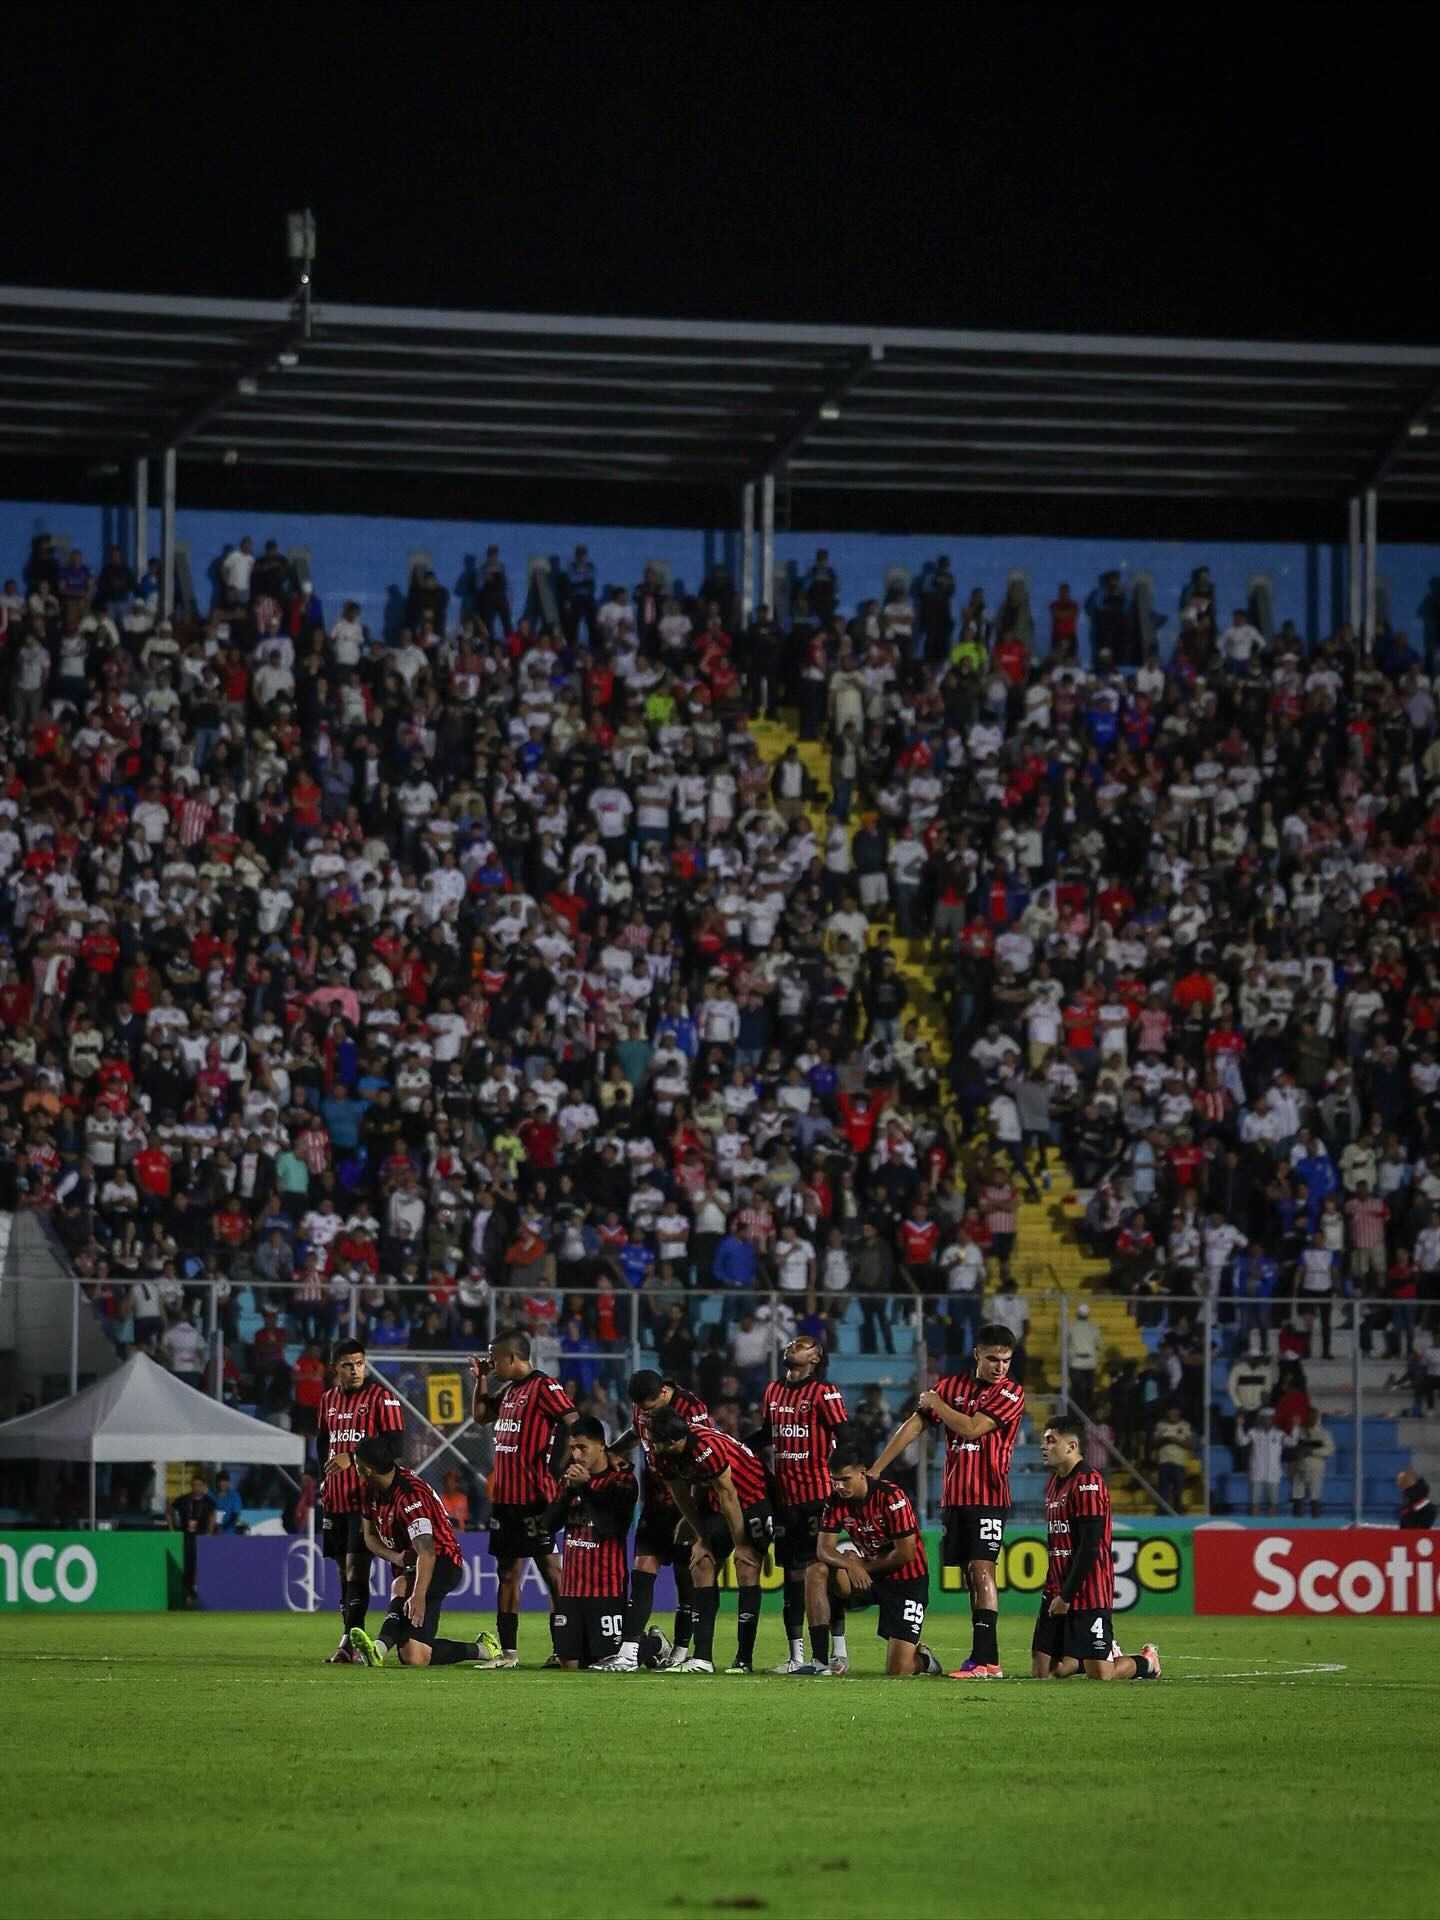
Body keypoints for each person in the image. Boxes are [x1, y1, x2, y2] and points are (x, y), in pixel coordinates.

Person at [868, 1322, 1024, 1680]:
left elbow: (971, 1428)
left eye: (1006, 1360)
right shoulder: (954, 1387)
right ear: (977, 1355)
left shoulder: (1011, 1393)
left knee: (983, 1569)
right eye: (993, 1360)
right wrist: (877, 1468)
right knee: (972, 1575)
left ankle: (988, 1661)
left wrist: (936, 1401)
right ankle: (980, 1657)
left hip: (989, 1496)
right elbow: (914, 1425)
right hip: (956, 1498)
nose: (1000, 1368)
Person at [469, 1330, 577, 1667]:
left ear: (513, 1357)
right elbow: (482, 1415)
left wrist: (562, 1468)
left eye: (495, 1358)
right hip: (505, 1500)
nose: (492, 1362)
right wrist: (481, 1379)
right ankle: (509, 1653)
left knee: (551, 1571)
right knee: (508, 1573)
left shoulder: (544, 1386)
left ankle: (563, 1649)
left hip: (535, 1500)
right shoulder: (511, 1390)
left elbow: (574, 1422)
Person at [1031, 1414, 1161, 1682]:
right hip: (1056, 1587)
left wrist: (1066, 1597)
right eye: (1044, 1441)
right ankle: (1084, 1655)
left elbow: (1089, 1547)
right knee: (1044, 1672)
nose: (1044, 1447)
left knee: (1101, 1674)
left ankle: (1146, 1662)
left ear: (1072, 1447)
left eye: (1051, 1441)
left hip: (1087, 1591)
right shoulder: (1054, 1483)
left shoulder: (1089, 1483)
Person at [598, 1370, 712, 1672]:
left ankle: (680, 1651)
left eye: (649, 1407)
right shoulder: (643, 1407)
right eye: (641, 1409)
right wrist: (613, 1450)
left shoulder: (693, 1408)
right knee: (642, 1571)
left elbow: (705, 1457)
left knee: (684, 1579)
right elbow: (637, 1433)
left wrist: (693, 1516)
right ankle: (629, 1652)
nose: (646, 1413)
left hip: (684, 1505)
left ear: (664, 1391)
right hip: (655, 1503)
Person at [752, 1335, 850, 1675]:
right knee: (792, 1577)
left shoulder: (825, 1392)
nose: (794, 1346)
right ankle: (796, 1655)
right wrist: (737, 1446)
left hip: (819, 1498)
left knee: (822, 1574)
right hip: (786, 1500)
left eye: (803, 1345)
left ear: (815, 1358)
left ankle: (837, 1653)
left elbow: (845, 1437)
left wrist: (844, 1482)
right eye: (793, 1342)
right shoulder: (772, 1391)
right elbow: (768, 1434)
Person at [649, 1405, 773, 1674]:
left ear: (672, 1442)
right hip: (716, 1502)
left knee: (746, 1565)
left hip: (753, 1497)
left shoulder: (707, 1448)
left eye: (653, 1440)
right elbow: (681, 1494)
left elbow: (729, 1494)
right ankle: (702, 1658)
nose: (649, 1444)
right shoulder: (661, 1454)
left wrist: (740, 1544)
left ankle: (743, 1660)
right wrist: (700, 1536)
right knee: (701, 1562)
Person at [347, 1438, 489, 1669]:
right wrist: (396, 1558)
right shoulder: (369, 1491)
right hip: (414, 1565)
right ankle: (483, 1649)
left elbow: (428, 1551)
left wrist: (419, 1595)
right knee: (415, 1655)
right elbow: (369, 1537)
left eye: (357, 1465)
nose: (355, 1470)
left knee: (401, 1585)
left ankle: (378, 1649)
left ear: (367, 1469)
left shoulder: (410, 1496)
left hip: (443, 1561)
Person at [808, 1437, 941, 1677]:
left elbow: (906, 1553)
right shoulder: (836, 1501)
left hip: (906, 1583)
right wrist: (849, 1563)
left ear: (862, 1473)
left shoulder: (892, 1497)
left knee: (897, 1671)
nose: (839, 1487)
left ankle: (924, 1661)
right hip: (870, 1578)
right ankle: (821, 1661)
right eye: (834, 1481)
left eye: (845, 1480)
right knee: (816, 1571)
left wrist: (863, 1566)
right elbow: (824, 1550)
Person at [315, 1338, 406, 1663]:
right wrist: (324, 1479)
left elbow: (396, 1447)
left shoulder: (382, 1399)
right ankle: (350, 1637)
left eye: (359, 1364)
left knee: (356, 1568)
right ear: (335, 1368)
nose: (355, 1370)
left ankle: (350, 1642)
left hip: (364, 1500)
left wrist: (352, 1458)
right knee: (343, 1570)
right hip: (335, 1499)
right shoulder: (328, 1400)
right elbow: (323, 1443)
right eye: (347, 1365)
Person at [543, 1416, 639, 1669]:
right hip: (571, 1590)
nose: (576, 1454)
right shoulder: (570, 1479)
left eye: (582, 1447)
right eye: (573, 1448)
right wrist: (569, 1490)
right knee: (570, 1665)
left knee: (605, 1662)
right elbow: (549, 1526)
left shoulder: (623, 1479)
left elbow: (611, 1528)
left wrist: (584, 1489)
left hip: (606, 1589)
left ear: (601, 1446)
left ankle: (649, 1645)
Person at [169, 1471, 216, 1606]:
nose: (196, 1488)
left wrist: (209, 1533)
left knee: (200, 1567)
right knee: (187, 1567)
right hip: (186, 1538)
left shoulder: (209, 1502)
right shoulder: (184, 1500)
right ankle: (187, 1595)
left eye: (199, 1485)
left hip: (202, 1539)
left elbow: (213, 1517)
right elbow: (169, 1510)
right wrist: (172, 1529)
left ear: (204, 1486)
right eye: (194, 1485)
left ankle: (199, 1596)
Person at [1237, 1406, 1286, 1515]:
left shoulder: (1279, 1434)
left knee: (1272, 1503)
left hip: (1273, 1472)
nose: (1266, 1421)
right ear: (1260, 1419)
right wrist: (1239, 1426)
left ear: (1273, 1420)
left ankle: (1271, 1528)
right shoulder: (1253, 1432)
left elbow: (1292, 1442)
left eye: (1269, 1418)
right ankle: (1253, 1528)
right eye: (1264, 1418)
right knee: (1254, 1503)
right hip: (1257, 1471)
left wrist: (1296, 1427)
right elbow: (1241, 1442)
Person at [1288, 1411, 1334, 1517]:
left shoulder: (1324, 1434)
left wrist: (1312, 1452)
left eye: (1314, 1417)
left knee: (1315, 1495)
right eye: (1309, 1416)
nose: (1311, 1419)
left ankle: (1316, 1522)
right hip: (1300, 1467)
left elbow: (1330, 1450)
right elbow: (1292, 1444)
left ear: (1318, 1418)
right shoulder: (1300, 1432)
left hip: (1316, 1468)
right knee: (1297, 1495)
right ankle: (1296, 1522)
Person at [1153, 1406, 1192, 1513]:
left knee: (1178, 1490)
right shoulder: (1160, 1425)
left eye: (1175, 1412)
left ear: (1179, 1413)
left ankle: (1177, 1511)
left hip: (1179, 1463)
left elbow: (1189, 1445)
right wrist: (1165, 1440)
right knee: (1163, 1490)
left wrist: (1176, 1441)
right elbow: (1155, 1443)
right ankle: (1162, 1511)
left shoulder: (1184, 1425)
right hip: (1164, 1462)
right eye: (1171, 1412)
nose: (1173, 1415)